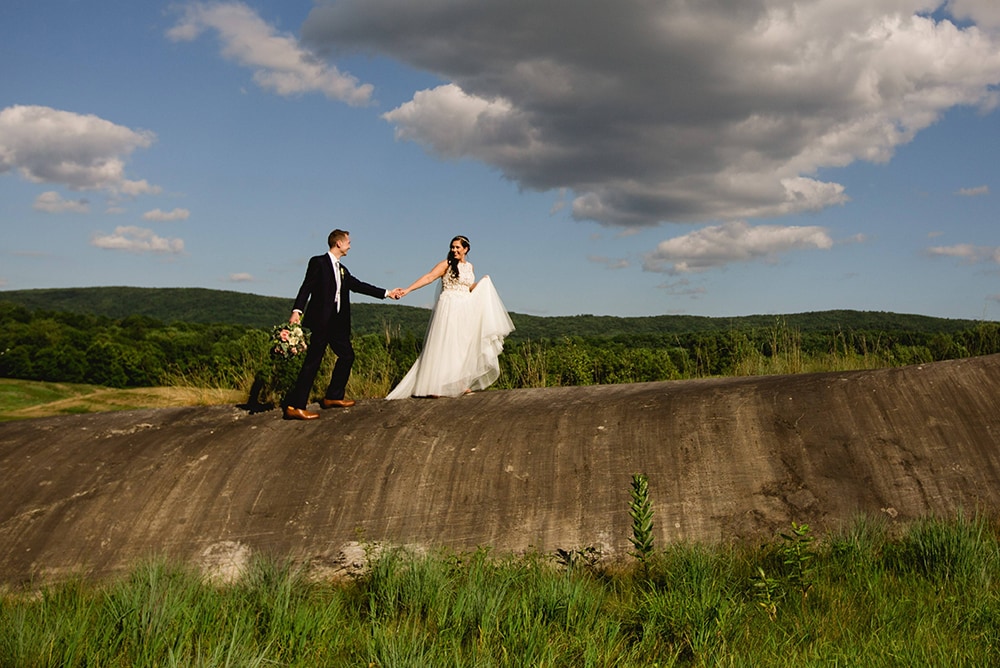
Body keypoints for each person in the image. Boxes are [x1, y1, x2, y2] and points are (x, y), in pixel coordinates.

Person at [282, 229, 402, 420]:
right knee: (313, 361)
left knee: (347, 356)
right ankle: (295, 406)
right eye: (348, 242)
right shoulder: (318, 262)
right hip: (321, 321)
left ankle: (333, 397)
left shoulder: (342, 269)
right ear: (339, 243)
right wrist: (297, 310)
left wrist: (388, 293)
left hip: (337, 323)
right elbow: (306, 287)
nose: (350, 245)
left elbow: (359, 285)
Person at [387, 235, 514, 399]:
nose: (454, 250)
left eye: (457, 247)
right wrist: (408, 289)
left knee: (462, 344)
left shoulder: (470, 267)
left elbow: (467, 288)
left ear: (466, 249)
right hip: (449, 306)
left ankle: (459, 383)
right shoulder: (445, 264)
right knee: (445, 342)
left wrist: (482, 284)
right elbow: (429, 277)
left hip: (465, 307)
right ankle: (435, 384)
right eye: (452, 247)